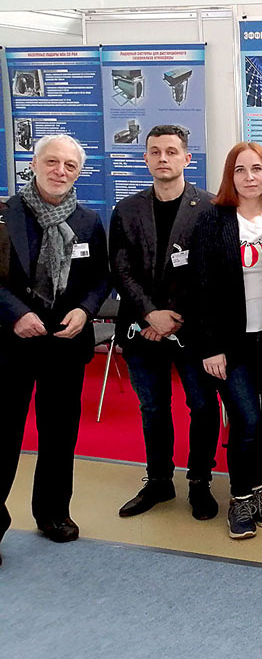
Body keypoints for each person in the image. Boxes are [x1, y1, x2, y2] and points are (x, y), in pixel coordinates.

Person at [0, 135, 110, 564]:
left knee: (60, 433)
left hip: (65, 344)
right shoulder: (6, 215)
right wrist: (16, 314)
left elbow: (100, 278)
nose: (60, 171)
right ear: (34, 164)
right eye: (52, 162)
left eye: (70, 165)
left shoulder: (87, 220)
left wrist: (85, 310)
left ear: (79, 172)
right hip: (12, 343)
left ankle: (53, 514)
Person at [109, 124, 220, 521]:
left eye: (171, 152)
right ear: (145, 159)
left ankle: (200, 481)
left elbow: (210, 273)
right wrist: (149, 313)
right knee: (153, 407)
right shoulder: (126, 210)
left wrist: (171, 316)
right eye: (155, 152)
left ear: (187, 158)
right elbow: (120, 270)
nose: (163, 158)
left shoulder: (210, 208)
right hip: (141, 328)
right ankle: (158, 481)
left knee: (202, 405)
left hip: (193, 329)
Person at [191, 142, 262, 540]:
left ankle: (256, 493)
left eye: (257, 169)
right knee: (246, 418)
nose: (250, 177)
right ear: (230, 176)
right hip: (232, 342)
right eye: (241, 170)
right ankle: (240, 499)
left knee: (260, 419)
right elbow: (200, 288)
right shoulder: (214, 219)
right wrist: (210, 346)